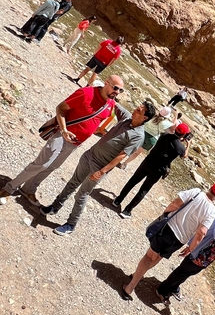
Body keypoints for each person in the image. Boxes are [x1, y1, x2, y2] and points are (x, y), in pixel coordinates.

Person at [0, 76, 123, 205]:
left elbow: (97, 121)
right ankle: (9, 188)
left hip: (75, 142)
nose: (117, 92)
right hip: (62, 134)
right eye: (115, 88)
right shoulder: (86, 93)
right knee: (42, 164)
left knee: (52, 166)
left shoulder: (110, 105)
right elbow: (61, 108)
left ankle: (28, 189)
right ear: (106, 83)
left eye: (121, 90)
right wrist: (64, 130)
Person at [40, 100, 155, 235]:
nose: (135, 110)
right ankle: (55, 206)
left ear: (145, 118)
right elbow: (114, 104)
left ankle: (71, 224)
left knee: (82, 194)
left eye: (139, 111)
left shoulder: (138, 136)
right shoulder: (126, 118)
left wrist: (102, 171)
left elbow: (121, 156)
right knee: (73, 182)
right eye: (137, 108)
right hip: (89, 156)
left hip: (99, 167)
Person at [121, 181, 215, 300]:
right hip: (180, 240)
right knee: (158, 257)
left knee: (149, 256)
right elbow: (202, 232)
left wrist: (164, 214)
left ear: (211, 187)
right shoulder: (212, 211)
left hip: (169, 228)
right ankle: (138, 275)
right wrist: (190, 248)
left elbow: (175, 203)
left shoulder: (196, 192)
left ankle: (130, 287)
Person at [156, 203, 215, 306]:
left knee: (190, 272)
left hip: (210, 255)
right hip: (201, 250)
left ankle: (173, 287)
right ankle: (162, 290)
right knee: (183, 270)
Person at [113, 123, 192, 219]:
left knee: (133, 181)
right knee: (143, 190)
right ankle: (127, 211)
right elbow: (184, 155)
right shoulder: (181, 148)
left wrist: (179, 138)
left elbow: (171, 139)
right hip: (158, 170)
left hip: (147, 162)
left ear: (175, 129)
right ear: (184, 135)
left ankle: (118, 200)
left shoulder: (164, 135)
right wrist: (188, 144)